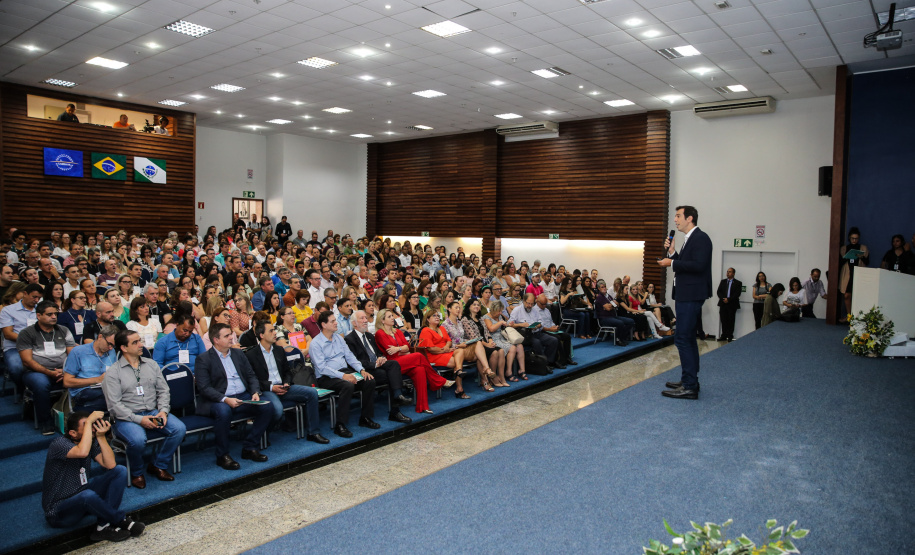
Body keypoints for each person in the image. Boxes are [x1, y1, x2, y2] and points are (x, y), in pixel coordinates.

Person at [42, 411, 144, 542]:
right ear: (73, 433)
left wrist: (101, 437)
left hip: (81, 496)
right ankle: (121, 520)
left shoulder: (90, 442)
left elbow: (110, 464)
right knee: (87, 495)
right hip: (59, 511)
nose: (91, 428)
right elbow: (82, 452)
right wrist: (90, 421)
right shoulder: (58, 444)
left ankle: (103, 527)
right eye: (86, 425)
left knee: (120, 471)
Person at [103, 330, 185, 489]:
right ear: (124, 348)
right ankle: (136, 472)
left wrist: (163, 411)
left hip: (153, 412)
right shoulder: (113, 373)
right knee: (138, 440)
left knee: (179, 428)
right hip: (126, 417)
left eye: (139, 340)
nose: (141, 345)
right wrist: (139, 420)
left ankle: (158, 464)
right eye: (135, 342)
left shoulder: (151, 364)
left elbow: (163, 391)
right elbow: (114, 405)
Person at [195, 323, 273, 470]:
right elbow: (204, 388)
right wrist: (225, 399)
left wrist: (255, 392)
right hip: (218, 399)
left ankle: (250, 447)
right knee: (224, 411)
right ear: (216, 340)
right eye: (227, 335)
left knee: (267, 406)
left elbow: (251, 376)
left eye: (231, 334)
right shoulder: (204, 359)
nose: (232, 337)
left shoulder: (238, 354)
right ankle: (222, 455)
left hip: (242, 396)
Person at [657, 205, 712, 400]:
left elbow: (698, 266)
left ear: (690, 218)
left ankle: (689, 386)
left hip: (691, 294)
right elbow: (686, 265)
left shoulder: (700, 238)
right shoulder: (689, 239)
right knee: (687, 338)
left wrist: (671, 263)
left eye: (678, 216)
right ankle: (689, 380)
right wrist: (672, 254)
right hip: (686, 294)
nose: (675, 220)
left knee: (682, 338)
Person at [245, 321, 329, 444]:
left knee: (312, 393)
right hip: (268, 390)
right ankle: (263, 434)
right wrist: (272, 387)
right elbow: (253, 379)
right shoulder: (251, 354)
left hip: (284, 387)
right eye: (271, 331)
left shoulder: (279, 350)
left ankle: (313, 432)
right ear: (261, 335)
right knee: (277, 410)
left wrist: (287, 383)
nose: (275, 333)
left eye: (274, 330)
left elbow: (287, 372)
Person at [310, 311, 381, 438]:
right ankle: (340, 425)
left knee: (369, 380)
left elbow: (350, 357)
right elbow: (322, 368)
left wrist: (361, 370)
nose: (336, 323)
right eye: (332, 321)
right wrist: (343, 376)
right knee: (347, 385)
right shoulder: (316, 343)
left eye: (335, 320)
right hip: (326, 377)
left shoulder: (338, 338)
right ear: (324, 325)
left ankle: (365, 418)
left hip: (344, 372)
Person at [374, 309, 453, 414]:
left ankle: (423, 406)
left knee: (420, 369)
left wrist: (398, 349)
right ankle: (439, 380)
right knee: (419, 356)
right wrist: (401, 350)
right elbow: (390, 353)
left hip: (404, 360)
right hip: (392, 364)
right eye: (389, 317)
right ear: (382, 320)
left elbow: (407, 347)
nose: (392, 318)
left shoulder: (397, 331)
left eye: (392, 316)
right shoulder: (380, 333)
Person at [19, 300, 77, 434]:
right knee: (41, 384)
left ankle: (76, 417)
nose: (54, 317)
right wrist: (49, 372)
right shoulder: (26, 333)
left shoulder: (63, 330)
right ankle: (45, 421)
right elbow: (27, 361)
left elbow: (72, 354)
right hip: (36, 371)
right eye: (49, 314)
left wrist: (65, 371)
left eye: (55, 314)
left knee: (83, 377)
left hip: (62, 369)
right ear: (39, 316)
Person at [344, 311, 413, 423]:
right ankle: (395, 410)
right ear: (354, 323)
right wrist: (374, 364)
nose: (366, 320)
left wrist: (381, 358)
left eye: (366, 318)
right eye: (362, 318)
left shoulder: (370, 336)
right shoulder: (349, 339)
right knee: (390, 375)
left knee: (394, 364)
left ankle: (397, 396)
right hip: (364, 369)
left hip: (378, 365)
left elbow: (378, 352)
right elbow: (353, 361)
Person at [64, 325, 118, 412]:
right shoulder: (78, 352)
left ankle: (83, 412)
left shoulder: (111, 352)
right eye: (109, 344)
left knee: (123, 394)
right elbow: (67, 382)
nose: (110, 348)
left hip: (106, 388)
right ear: (100, 337)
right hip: (84, 390)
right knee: (111, 399)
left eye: (113, 346)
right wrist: (97, 380)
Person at [508, 293, 561, 369]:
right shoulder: (517, 310)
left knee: (554, 340)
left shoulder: (534, 310)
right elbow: (509, 324)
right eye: (528, 303)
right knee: (537, 343)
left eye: (532, 304)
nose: (530, 306)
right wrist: (521, 324)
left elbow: (540, 322)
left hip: (537, 332)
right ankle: (543, 364)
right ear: (523, 301)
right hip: (526, 335)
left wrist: (537, 325)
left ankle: (548, 362)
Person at [838, 227, 868, 323]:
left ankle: (857, 317)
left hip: (859, 273)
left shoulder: (863, 248)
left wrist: (861, 256)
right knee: (847, 295)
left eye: (856, 238)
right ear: (849, 238)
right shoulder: (844, 248)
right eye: (852, 238)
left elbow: (867, 261)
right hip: (848, 274)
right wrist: (847, 256)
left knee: (858, 296)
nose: (854, 240)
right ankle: (849, 316)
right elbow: (840, 262)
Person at [594, 280, 633, 346]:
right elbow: (608, 308)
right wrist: (612, 305)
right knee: (620, 323)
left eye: (604, 287)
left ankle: (622, 337)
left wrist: (611, 305)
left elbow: (617, 304)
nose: (604, 288)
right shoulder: (599, 297)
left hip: (613, 316)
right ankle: (618, 339)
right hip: (604, 318)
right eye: (602, 287)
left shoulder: (608, 296)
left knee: (630, 321)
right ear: (599, 288)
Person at [716, 267, 741, 342]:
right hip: (723, 303)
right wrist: (723, 298)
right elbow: (718, 291)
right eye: (727, 272)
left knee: (731, 320)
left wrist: (729, 299)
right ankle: (724, 335)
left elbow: (737, 293)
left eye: (730, 272)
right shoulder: (723, 281)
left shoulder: (738, 283)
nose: (728, 273)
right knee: (723, 319)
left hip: (732, 304)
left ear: (733, 273)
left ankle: (730, 335)